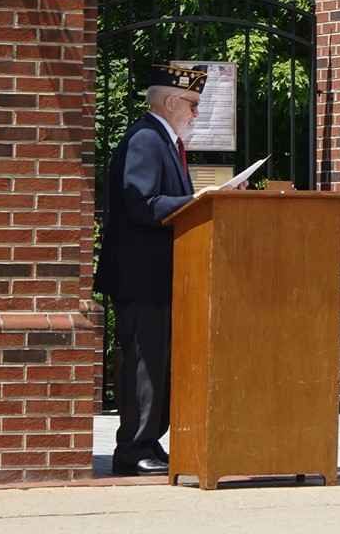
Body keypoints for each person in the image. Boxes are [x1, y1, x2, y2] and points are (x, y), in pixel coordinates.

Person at [95, 61, 207, 477]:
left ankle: (148, 442)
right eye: (193, 104)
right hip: (141, 276)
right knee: (144, 362)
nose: (197, 113)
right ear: (171, 101)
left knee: (157, 362)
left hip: (158, 276)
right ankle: (133, 450)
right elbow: (141, 204)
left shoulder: (165, 140)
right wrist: (200, 201)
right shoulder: (146, 138)